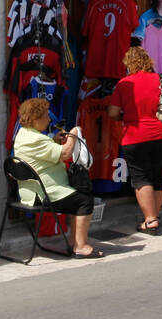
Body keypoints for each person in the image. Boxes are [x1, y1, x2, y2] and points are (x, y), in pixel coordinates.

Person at [11, 97, 101, 258]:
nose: (49, 118)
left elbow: (43, 151)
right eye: (45, 115)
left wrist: (53, 141)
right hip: (43, 194)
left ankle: (75, 242)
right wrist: (73, 134)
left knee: (77, 194)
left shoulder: (24, 135)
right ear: (35, 119)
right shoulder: (36, 139)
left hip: (32, 191)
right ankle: (80, 245)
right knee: (84, 200)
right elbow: (65, 153)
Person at [108, 46, 162, 233]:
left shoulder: (124, 84)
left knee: (141, 178)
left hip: (135, 136)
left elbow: (112, 112)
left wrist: (124, 116)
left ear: (129, 64)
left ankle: (150, 219)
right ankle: (154, 216)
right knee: (158, 176)